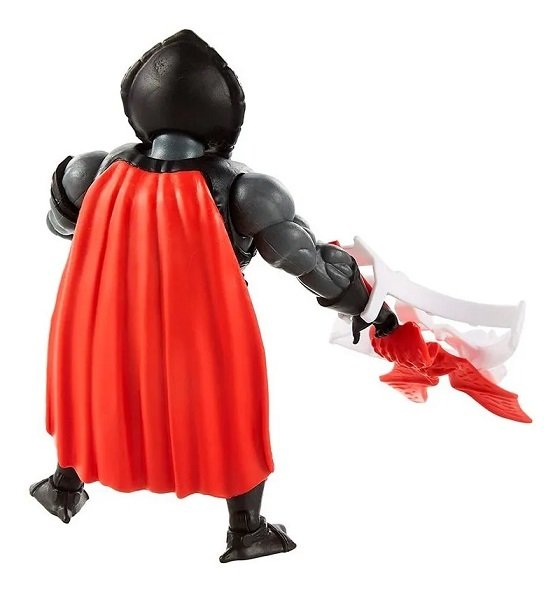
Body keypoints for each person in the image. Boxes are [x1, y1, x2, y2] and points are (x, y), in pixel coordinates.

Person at [30, 30, 397, 563]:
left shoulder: (91, 170)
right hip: (198, 332)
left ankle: (63, 486)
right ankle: (246, 532)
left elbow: (58, 224)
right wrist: (370, 308)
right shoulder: (246, 190)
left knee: (94, 386)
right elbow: (311, 266)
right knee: (224, 411)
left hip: (102, 321)